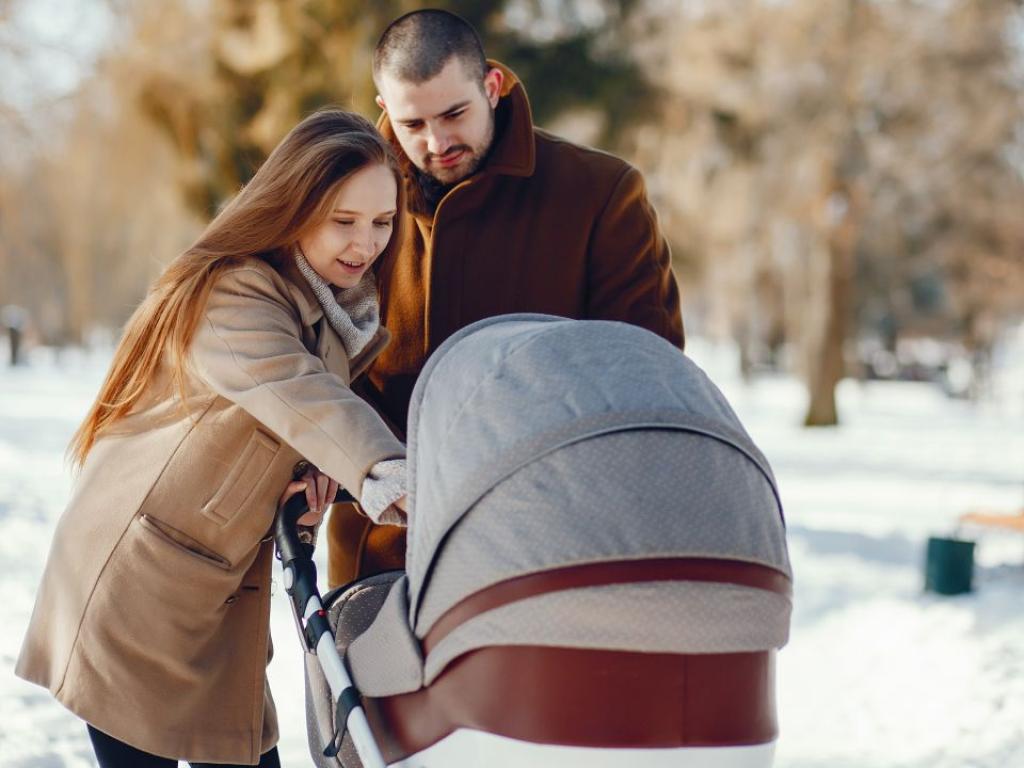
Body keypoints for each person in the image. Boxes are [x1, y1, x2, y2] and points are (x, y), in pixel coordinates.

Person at [16, 109, 410, 767]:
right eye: (343, 221)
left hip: (217, 604)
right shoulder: (236, 294)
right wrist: (385, 471)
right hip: (138, 593)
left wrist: (315, 479)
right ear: (293, 208)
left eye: (381, 222)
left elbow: (292, 426)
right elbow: (300, 392)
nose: (365, 242)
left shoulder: (334, 312)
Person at [325, 8, 685, 586]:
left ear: (491, 87)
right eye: (413, 124)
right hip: (385, 556)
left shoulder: (599, 194)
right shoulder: (346, 205)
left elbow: (646, 375)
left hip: (552, 555)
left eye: (454, 114)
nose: (437, 142)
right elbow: (315, 364)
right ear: (384, 109)